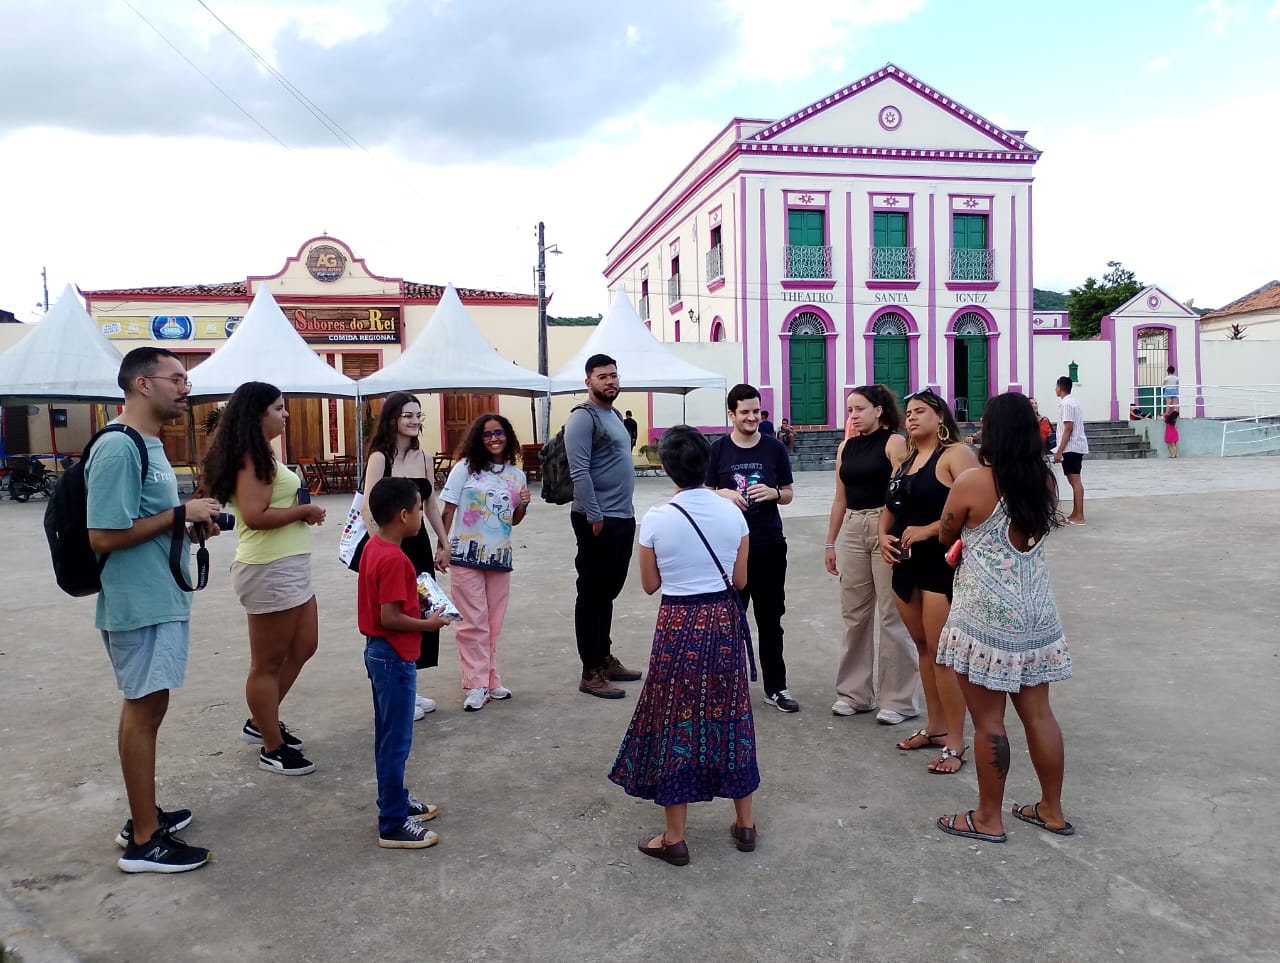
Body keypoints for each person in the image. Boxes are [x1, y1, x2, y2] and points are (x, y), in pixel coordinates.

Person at [87, 347, 222, 873]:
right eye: (177, 378)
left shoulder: (148, 444)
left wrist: (185, 524)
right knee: (142, 713)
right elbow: (102, 535)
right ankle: (145, 839)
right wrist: (179, 513)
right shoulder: (120, 448)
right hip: (137, 602)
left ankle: (143, 815)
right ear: (143, 385)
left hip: (158, 595)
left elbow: (147, 520)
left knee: (150, 709)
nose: (186, 387)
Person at [609, 426, 758, 866]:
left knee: (677, 719)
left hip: (678, 622)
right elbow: (741, 581)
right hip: (722, 620)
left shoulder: (656, 518)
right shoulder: (734, 515)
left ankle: (674, 837)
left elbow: (650, 585)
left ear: (666, 467)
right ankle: (745, 823)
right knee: (731, 714)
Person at [934, 392, 1073, 843]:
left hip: (987, 616)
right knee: (1039, 714)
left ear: (991, 432)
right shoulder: (1046, 482)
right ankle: (1051, 809)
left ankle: (988, 818)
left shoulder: (973, 482)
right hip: (1036, 612)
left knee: (989, 722)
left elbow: (947, 531)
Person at [203, 382, 326, 776]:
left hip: (288, 564)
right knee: (267, 663)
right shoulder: (251, 457)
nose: (285, 414)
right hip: (269, 568)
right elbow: (254, 516)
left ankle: (262, 720)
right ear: (258, 413)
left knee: (305, 645)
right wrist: (301, 513)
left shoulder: (262, 454)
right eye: (278, 407)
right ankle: (271, 746)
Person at [878, 389, 978, 773]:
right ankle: (935, 728)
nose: (912, 418)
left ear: (940, 417)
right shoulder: (904, 460)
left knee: (941, 652)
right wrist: (881, 535)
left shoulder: (955, 455)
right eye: (909, 412)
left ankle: (955, 740)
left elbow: (974, 507)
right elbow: (890, 507)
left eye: (921, 411)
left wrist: (928, 531)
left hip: (941, 564)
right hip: (905, 564)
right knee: (922, 646)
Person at [359, 477, 450, 849]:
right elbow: (391, 617)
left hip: (379, 653)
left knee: (387, 737)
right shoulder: (396, 559)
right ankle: (392, 823)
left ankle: (394, 801)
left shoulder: (374, 546)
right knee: (396, 742)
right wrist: (429, 624)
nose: (420, 517)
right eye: (417, 510)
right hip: (394, 655)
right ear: (403, 515)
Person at [824, 386, 918, 724]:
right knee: (855, 614)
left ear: (879, 410)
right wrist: (830, 542)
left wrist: (899, 532)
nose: (853, 416)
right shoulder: (845, 447)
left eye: (859, 409)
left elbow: (903, 489)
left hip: (886, 527)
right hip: (852, 528)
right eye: (849, 410)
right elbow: (839, 497)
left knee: (892, 614)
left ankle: (898, 700)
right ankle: (854, 694)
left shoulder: (894, 442)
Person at [361, 392, 451, 719]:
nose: (414, 421)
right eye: (407, 415)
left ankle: (408, 684)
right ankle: (398, 690)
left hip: (417, 543)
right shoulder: (380, 458)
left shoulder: (424, 458)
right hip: (390, 546)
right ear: (393, 419)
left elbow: (429, 504)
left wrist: (444, 542)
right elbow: (368, 507)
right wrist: (382, 548)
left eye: (418, 415)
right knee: (394, 614)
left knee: (419, 609)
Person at [708, 384, 797, 712]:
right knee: (730, 619)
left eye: (756, 411)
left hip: (769, 544)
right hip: (729, 549)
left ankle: (777, 687)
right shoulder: (718, 450)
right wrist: (723, 494)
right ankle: (727, 688)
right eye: (744, 412)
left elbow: (788, 492)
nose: (751, 417)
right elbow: (701, 493)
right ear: (731, 414)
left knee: (771, 618)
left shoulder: (774, 449)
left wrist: (774, 493)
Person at [439, 413, 530, 711]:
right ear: (479, 439)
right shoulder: (465, 469)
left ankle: (491, 679)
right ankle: (476, 684)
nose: (493, 438)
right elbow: (448, 509)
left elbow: (513, 520)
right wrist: (442, 546)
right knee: (471, 622)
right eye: (487, 434)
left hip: (500, 557)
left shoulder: (517, 476)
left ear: (508, 437)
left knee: (492, 622)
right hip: (465, 555)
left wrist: (524, 505)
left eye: (499, 433)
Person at [567, 354, 643, 698]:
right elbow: (579, 471)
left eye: (614, 375)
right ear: (588, 381)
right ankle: (590, 671)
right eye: (602, 377)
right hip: (597, 520)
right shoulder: (582, 418)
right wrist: (595, 516)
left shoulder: (612, 414)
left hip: (621, 517)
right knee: (592, 594)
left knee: (607, 593)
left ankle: (604, 656)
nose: (610, 381)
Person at [1052, 376, 1089, 525]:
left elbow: (1068, 428)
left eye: (1056, 386)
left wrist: (1059, 450)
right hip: (1074, 446)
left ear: (1060, 387)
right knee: (1073, 480)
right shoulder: (1073, 402)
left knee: (1075, 480)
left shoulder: (1067, 404)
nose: (1055, 389)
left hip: (1071, 447)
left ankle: (1079, 516)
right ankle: (1075, 513)